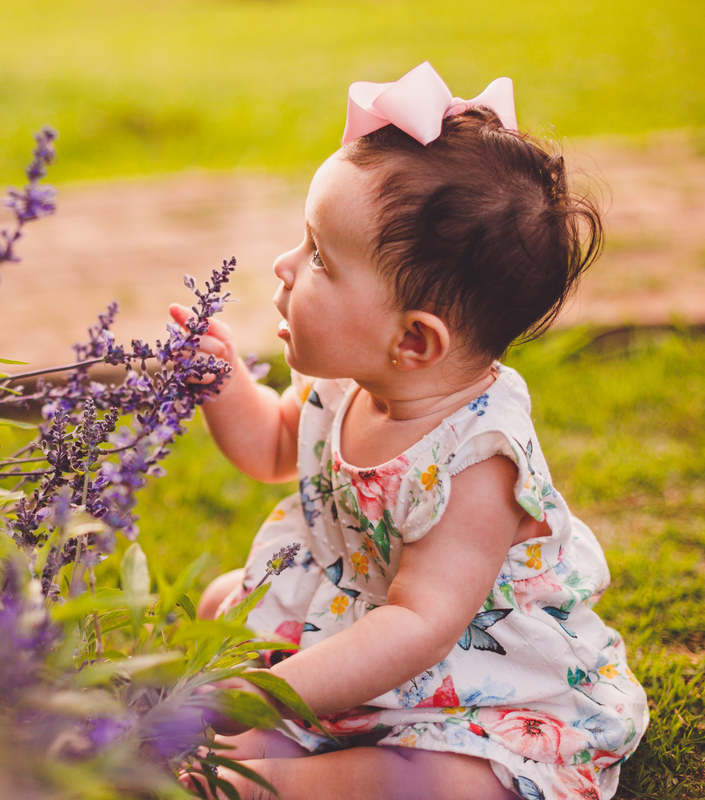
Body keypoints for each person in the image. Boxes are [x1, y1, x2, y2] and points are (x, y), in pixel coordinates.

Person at [169, 63, 648, 800]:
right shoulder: (345, 384)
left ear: (414, 342)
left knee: (452, 783)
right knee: (220, 605)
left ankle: (285, 783)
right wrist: (225, 382)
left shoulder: (478, 461)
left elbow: (419, 625)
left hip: (460, 674)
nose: (284, 266)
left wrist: (276, 694)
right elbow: (271, 448)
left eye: (319, 257)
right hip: (350, 623)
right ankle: (273, 758)